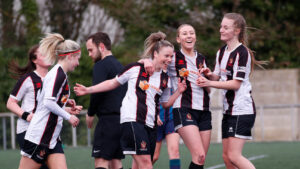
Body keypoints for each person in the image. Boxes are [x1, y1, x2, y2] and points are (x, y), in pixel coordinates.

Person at [74, 31, 187, 169]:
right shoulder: (137, 68)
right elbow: (112, 83)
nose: (169, 59)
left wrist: (178, 92)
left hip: (150, 124)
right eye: (166, 56)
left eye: (171, 56)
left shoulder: (165, 79)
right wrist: (88, 89)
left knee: (142, 164)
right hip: (132, 120)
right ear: (155, 54)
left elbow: (165, 104)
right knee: (146, 164)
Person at [197, 13, 265, 169]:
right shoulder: (221, 52)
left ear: (237, 31)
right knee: (227, 158)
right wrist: (209, 74)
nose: (221, 30)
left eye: (225, 27)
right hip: (228, 111)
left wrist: (209, 83)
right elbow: (217, 76)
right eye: (221, 26)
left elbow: (235, 84)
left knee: (234, 156)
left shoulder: (242, 53)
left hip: (241, 110)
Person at [142, 24, 212, 169]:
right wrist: (146, 61)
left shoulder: (202, 59)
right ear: (178, 39)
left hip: (204, 110)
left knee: (201, 159)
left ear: (195, 37)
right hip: (183, 109)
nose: (189, 36)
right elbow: (153, 64)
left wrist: (208, 79)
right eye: (184, 33)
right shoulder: (174, 57)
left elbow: (209, 90)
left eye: (191, 33)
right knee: (197, 155)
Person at [18, 33, 82, 169]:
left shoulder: (60, 74)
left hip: (52, 138)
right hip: (39, 137)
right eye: (77, 58)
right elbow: (47, 102)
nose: (78, 63)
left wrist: (67, 107)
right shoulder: (57, 74)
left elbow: (48, 103)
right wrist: (68, 116)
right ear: (70, 56)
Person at [85, 31, 127, 169]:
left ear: (101, 47)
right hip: (121, 121)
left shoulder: (101, 65)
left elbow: (97, 92)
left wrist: (90, 113)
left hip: (107, 121)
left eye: (91, 50)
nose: (89, 54)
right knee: (116, 162)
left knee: (101, 162)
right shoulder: (120, 66)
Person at [6, 45, 51, 169]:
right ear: (34, 60)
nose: (48, 55)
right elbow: (10, 103)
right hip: (28, 131)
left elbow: (50, 106)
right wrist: (26, 115)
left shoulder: (53, 79)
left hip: (47, 131)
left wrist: (68, 110)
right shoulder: (28, 79)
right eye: (43, 54)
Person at [152, 105, 181, 169]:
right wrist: (154, 113)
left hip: (172, 117)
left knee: (175, 151)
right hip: (155, 118)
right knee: (154, 157)